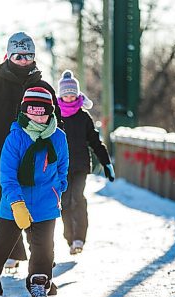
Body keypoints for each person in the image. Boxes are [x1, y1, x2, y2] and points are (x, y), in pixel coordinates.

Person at [0, 32, 61, 296]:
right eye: (17, 56)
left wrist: (56, 168)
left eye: (28, 56)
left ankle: (41, 276)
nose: (23, 61)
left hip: (37, 175)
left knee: (40, 224)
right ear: (8, 56)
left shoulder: (45, 89)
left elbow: (57, 129)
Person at [0, 87, 69, 297]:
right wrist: (17, 203)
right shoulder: (15, 138)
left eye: (42, 110)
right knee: (0, 247)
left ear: (50, 112)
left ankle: (39, 283)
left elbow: (62, 168)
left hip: (45, 204)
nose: (37, 115)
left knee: (44, 249)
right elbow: (7, 176)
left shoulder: (58, 137)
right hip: (14, 204)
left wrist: (58, 189)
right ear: (24, 111)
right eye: (31, 110)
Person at [56, 70, 115, 255]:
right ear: (61, 96)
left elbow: (95, 142)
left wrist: (106, 163)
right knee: (64, 202)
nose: (69, 97)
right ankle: (69, 238)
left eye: (72, 94)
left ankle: (79, 238)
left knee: (77, 199)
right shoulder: (56, 117)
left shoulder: (83, 117)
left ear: (78, 95)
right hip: (61, 167)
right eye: (66, 95)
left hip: (80, 166)